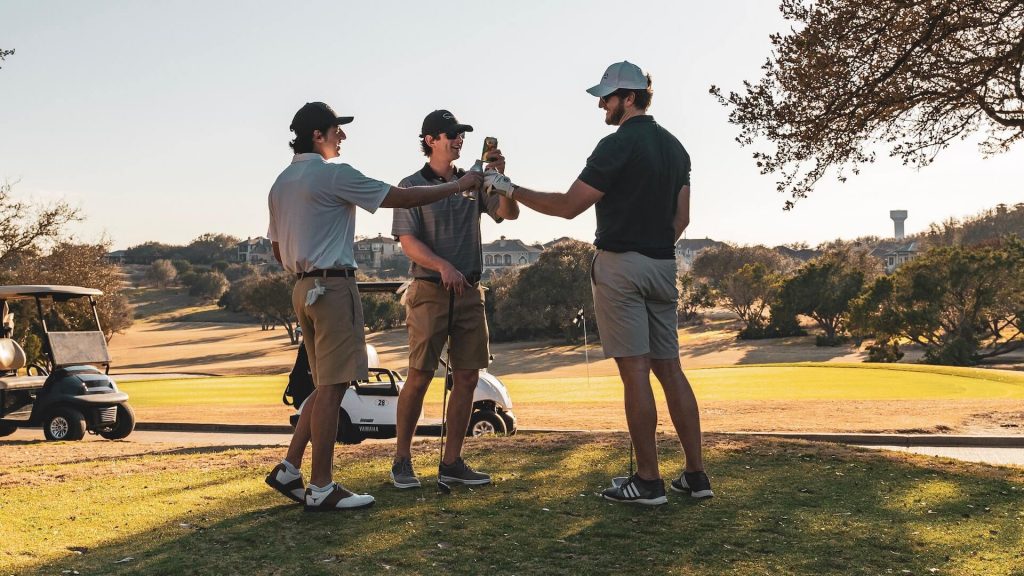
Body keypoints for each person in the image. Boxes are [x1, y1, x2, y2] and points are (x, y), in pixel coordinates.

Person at [482, 62, 713, 505]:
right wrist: (653, 249)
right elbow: (682, 219)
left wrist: (508, 187)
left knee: (635, 373)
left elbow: (569, 206)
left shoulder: (617, 144)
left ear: (628, 98)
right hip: (664, 265)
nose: (601, 104)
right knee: (671, 369)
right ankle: (696, 476)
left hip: (621, 266)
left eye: (606, 97)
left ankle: (648, 482)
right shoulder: (676, 148)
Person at [264, 102, 483, 512]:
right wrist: (459, 185)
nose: (341, 136)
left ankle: (290, 469)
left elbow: (278, 250)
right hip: (333, 288)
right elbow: (399, 197)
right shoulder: (333, 174)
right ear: (317, 134)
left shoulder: (281, 182)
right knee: (334, 388)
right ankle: (322, 485)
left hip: (301, 288)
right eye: (336, 130)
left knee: (323, 384)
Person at [389, 110, 518, 489]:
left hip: (469, 292)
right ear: (430, 140)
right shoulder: (410, 185)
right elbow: (408, 243)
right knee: (420, 375)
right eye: (451, 134)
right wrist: (443, 265)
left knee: (467, 377)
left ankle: (452, 463)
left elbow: (508, 215)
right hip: (429, 291)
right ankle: (401, 461)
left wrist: (502, 182)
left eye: (461, 134)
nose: (459, 139)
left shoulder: (474, 181)